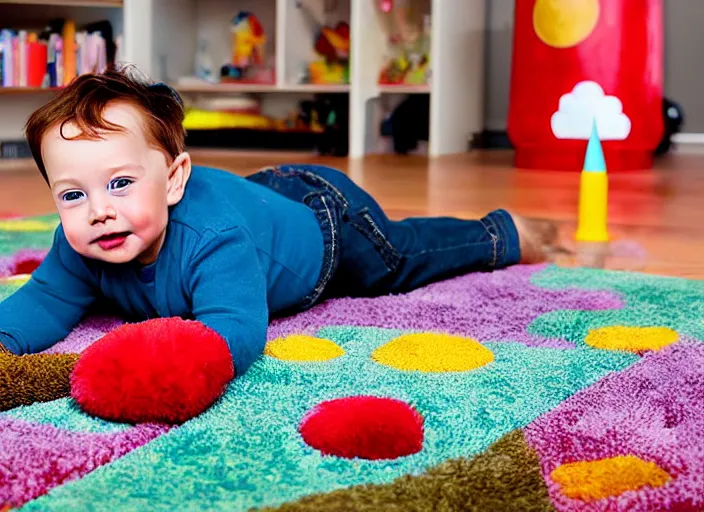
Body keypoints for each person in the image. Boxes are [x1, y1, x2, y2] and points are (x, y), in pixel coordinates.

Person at [0, 68, 557, 377]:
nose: (99, 209)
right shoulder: (81, 240)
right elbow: (43, 301)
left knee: (399, 259)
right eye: (73, 194)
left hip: (327, 224)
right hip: (261, 200)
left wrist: (161, 372)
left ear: (172, 180)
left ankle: (503, 234)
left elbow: (234, 332)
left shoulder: (212, 242)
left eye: (120, 183)